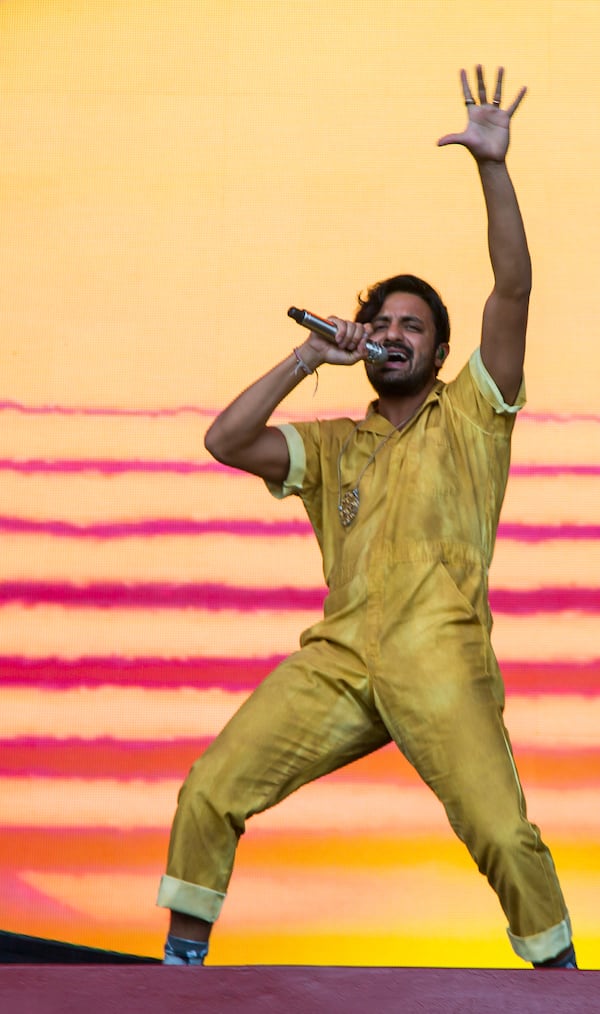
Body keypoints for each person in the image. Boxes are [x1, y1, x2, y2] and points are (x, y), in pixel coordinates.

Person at [157, 66, 576, 969]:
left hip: (441, 658)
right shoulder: (335, 446)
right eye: (379, 322)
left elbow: (513, 290)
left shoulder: (473, 413)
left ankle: (565, 982)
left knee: (506, 838)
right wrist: (309, 353)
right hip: (341, 658)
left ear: (440, 348)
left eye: (413, 325)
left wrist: (492, 168)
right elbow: (226, 440)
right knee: (209, 790)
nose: (394, 333)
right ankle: (176, 979)